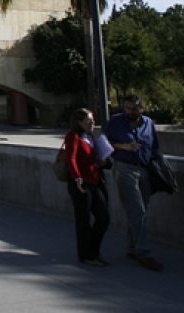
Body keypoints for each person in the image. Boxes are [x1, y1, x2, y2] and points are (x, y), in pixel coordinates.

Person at [104, 95, 163, 271]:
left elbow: (155, 147)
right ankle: (143, 253)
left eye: (135, 108)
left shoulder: (148, 123)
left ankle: (132, 248)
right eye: (128, 108)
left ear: (142, 108)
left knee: (141, 210)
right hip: (125, 168)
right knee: (136, 210)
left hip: (144, 169)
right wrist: (124, 146)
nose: (130, 112)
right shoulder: (116, 122)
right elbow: (104, 143)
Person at [64, 108, 111, 266]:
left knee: (104, 218)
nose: (93, 123)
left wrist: (102, 161)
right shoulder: (73, 136)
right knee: (83, 221)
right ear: (79, 122)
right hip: (81, 184)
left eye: (93, 120)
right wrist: (77, 178)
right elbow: (71, 159)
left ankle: (94, 251)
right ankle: (87, 255)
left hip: (95, 181)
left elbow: (92, 159)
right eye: (88, 121)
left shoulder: (90, 136)